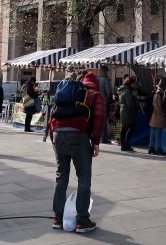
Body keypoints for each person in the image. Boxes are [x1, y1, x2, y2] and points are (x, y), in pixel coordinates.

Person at [49, 71, 106, 234]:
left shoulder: (69, 92)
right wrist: (96, 142)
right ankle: (82, 220)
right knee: (83, 178)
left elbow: (53, 113)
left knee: (61, 176)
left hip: (58, 134)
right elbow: (99, 118)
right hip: (78, 135)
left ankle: (58, 218)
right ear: (96, 83)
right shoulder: (95, 94)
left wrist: (53, 136)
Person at [148, 77, 166, 155]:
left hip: (155, 115)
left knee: (154, 132)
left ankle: (151, 148)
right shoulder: (159, 93)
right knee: (157, 132)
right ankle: (157, 148)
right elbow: (157, 105)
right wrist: (162, 113)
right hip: (158, 115)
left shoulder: (158, 92)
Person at [118, 75, 138, 152]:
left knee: (124, 128)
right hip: (127, 111)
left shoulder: (122, 89)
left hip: (123, 110)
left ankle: (124, 145)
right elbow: (130, 104)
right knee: (130, 127)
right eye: (133, 83)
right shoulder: (127, 91)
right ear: (130, 83)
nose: (134, 85)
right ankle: (125, 145)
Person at [97, 65, 113, 143]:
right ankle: (104, 138)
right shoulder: (105, 79)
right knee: (104, 120)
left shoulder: (96, 79)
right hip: (103, 101)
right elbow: (108, 91)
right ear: (104, 71)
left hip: (96, 101)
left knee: (97, 120)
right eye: (106, 71)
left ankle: (98, 136)